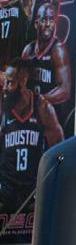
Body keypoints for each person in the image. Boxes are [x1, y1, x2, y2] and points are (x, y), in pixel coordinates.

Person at [1, 60, 64, 211]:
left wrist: (51, 188)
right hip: (6, 190)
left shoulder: (42, 107)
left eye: (10, 83)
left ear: (23, 81)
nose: (5, 88)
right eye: (4, 83)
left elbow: (59, 152)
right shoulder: (3, 109)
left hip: (33, 191)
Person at [21, 2, 72, 108]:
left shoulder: (58, 50)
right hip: (30, 111)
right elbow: (21, 84)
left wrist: (39, 100)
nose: (48, 24)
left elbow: (64, 91)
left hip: (50, 111)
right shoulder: (28, 50)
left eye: (51, 20)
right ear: (36, 24)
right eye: (44, 20)